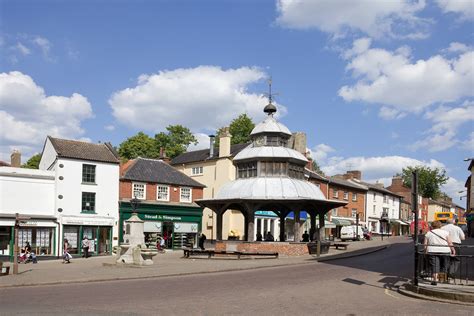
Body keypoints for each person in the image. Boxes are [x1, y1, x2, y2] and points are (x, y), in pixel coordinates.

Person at [424, 221, 455, 285]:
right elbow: (449, 242)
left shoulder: (429, 233)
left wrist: (425, 251)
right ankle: (441, 280)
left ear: (432, 226)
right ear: (440, 225)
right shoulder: (445, 232)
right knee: (444, 265)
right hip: (445, 251)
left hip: (432, 251)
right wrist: (453, 250)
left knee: (434, 266)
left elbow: (425, 244)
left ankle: (435, 280)